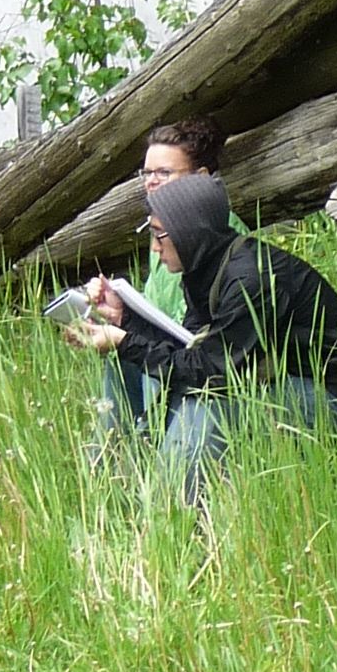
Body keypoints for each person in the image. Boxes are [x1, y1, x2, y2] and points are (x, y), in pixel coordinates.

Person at [75, 170, 337, 504]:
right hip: (275, 382)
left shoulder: (251, 280)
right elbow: (190, 347)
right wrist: (125, 321)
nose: (154, 247)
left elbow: (211, 374)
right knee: (126, 364)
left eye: (159, 235)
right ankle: (110, 486)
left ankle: (168, 517)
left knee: (205, 405)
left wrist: (124, 340)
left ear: (189, 233)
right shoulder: (208, 265)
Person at [87, 116, 234, 444]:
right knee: (119, 357)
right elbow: (155, 309)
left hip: (201, 364)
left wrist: (127, 334)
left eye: (164, 173)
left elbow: (193, 340)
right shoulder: (162, 233)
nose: (152, 182)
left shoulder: (214, 236)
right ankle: (115, 461)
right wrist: (118, 310)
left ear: (201, 178)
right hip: (169, 348)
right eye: (147, 173)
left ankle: (146, 445)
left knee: (132, 353)